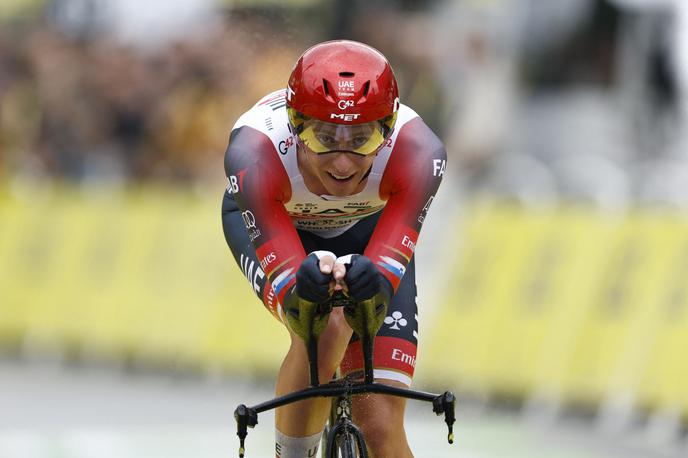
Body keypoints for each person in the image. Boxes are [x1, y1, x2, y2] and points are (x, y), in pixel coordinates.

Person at [221, 40, 446, 458]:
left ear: (388, 128)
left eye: (361, 140)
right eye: (323, 138)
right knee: (322, 325)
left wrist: (374, 283)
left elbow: (380, 287)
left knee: (379, 424)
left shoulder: (418, 153)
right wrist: (302, 291)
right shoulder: (255, 153)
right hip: (282, 225)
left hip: (369, 230)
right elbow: (296, 300)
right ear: (294, 126)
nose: (342, 163)